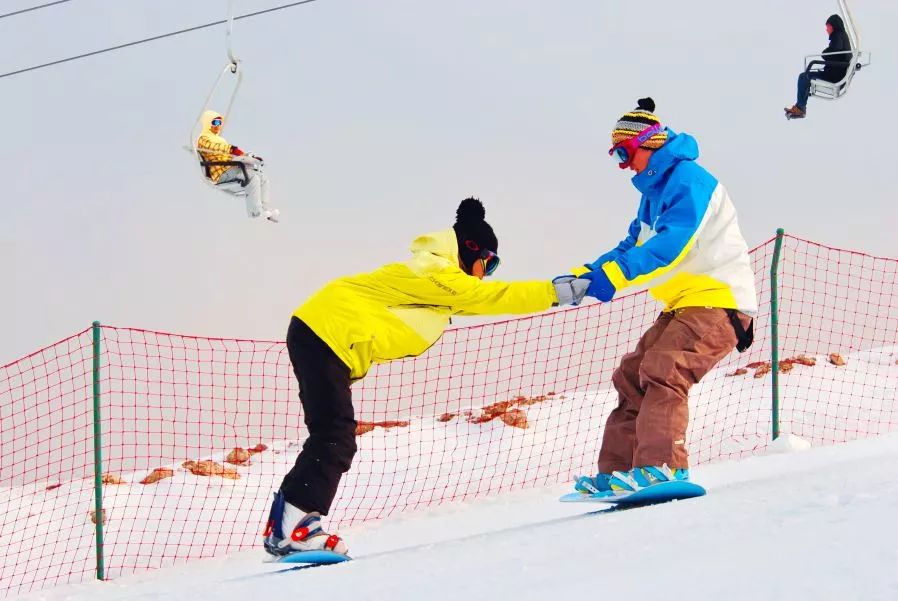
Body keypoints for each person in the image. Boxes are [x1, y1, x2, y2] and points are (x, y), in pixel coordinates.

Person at [263, 197, 588, 558]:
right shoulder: (435, 271)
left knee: (331, 433)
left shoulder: (442, 285)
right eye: (489, 263)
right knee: (335, 434)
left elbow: (484, 298)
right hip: (325, 334)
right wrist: (552, 292)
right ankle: (295, 528)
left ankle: (288, 524)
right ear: (470, 249)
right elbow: (494, 296)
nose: (487, 273)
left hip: (324, 336)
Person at [567, 98, 757, 497]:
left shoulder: (691, 181)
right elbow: (629, 245)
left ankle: (663, 468)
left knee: (665, 367)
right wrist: (586, 275)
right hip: (685, 302)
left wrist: (614, 277)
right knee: (632, 375)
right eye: (616, 156)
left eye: (624, 153)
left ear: (648, 143)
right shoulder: (650, 196)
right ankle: (617, 474)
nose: (623, 165)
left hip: (719, 299)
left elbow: (674, 243)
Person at [195, 110, 279, 222]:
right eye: (215, 123)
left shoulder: (220, 139)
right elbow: (214, 147)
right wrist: (233, 149)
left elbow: (230, 153)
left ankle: (266, 208)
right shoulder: (203, 138)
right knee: (252, 177)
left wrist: (247, 157)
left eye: (220, 123)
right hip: (221, 172)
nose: (218, 126)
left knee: (261, 176)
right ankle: (255, 212)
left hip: (231, 167)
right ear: (207, 123)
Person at [785, 14, 852, 119]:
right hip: (836, 73)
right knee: (806, 76)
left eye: (828, 27)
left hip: (833, 76)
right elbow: (836, 53)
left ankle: (800, 108)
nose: (827, 30)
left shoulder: (837, 35)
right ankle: (800, 107)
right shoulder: (842, 36)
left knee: (804, 77)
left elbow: (832, 52)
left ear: (834, 26)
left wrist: (825, 53)